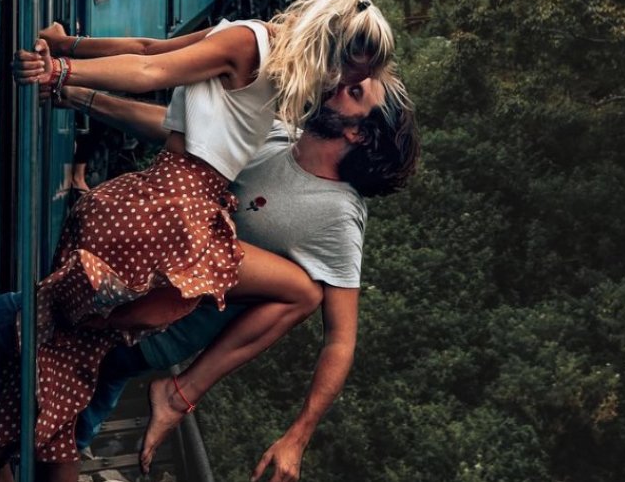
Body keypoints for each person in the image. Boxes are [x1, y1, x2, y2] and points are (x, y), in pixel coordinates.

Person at [2, 0, 395, 481]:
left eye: (352, 85)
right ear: (330, 43)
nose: (337, 85)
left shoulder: (261, 58)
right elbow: (150, 62)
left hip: (164, 211)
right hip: (174, 216)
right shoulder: (255, 55)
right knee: (57, 350)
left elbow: (154, 64)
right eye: (348, 75)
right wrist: (64, 65)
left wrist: (64, 66)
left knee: (54, 347)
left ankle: (23, 434)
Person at [53, 68, 416, 481]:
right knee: (51, 436)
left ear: (360, 135)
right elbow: (172, 129)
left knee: (47, 433)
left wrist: (297, 438)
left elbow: (340, 341)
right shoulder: (278, 136)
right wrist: (79, 96)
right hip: (118, 291)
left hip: (145, 335)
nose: (334, 84)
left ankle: (176, 395)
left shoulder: (338, 216)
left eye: (353, 92)